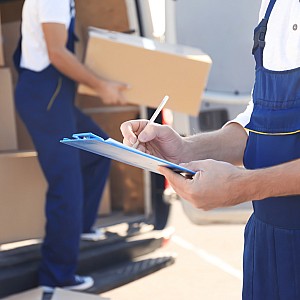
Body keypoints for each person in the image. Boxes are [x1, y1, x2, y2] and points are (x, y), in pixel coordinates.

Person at [121, 0, 300, 299]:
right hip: (267, 243)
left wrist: (242, 186)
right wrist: (184, 149)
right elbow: (261, 121)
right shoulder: (272, 7)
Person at [14, 0, 128, 292]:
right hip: (45, 98)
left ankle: (80, 228)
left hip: (52, 97)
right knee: (66, 185)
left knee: (96, 151)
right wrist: (102, 86)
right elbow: (57, 54)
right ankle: (57, 276)